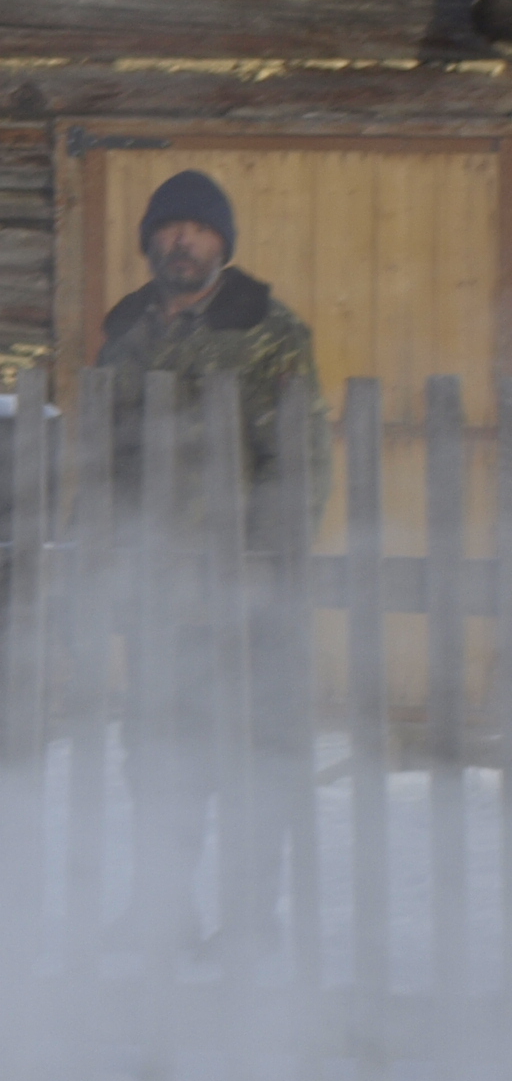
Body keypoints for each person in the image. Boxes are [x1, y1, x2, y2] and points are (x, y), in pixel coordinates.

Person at [92, 168, 328, 957]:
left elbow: (297, 460)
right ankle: (163, 909)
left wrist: (266, 566)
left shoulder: (268, 328)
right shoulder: (126, 334)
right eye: (168, 228)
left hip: (245, 596)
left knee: (253, 760)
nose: (181, 240)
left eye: (198, 229)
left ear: (222, 243)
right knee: (156, 763)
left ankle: (251, 919)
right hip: (155, 596)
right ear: (150, 241)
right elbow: (103, 460)